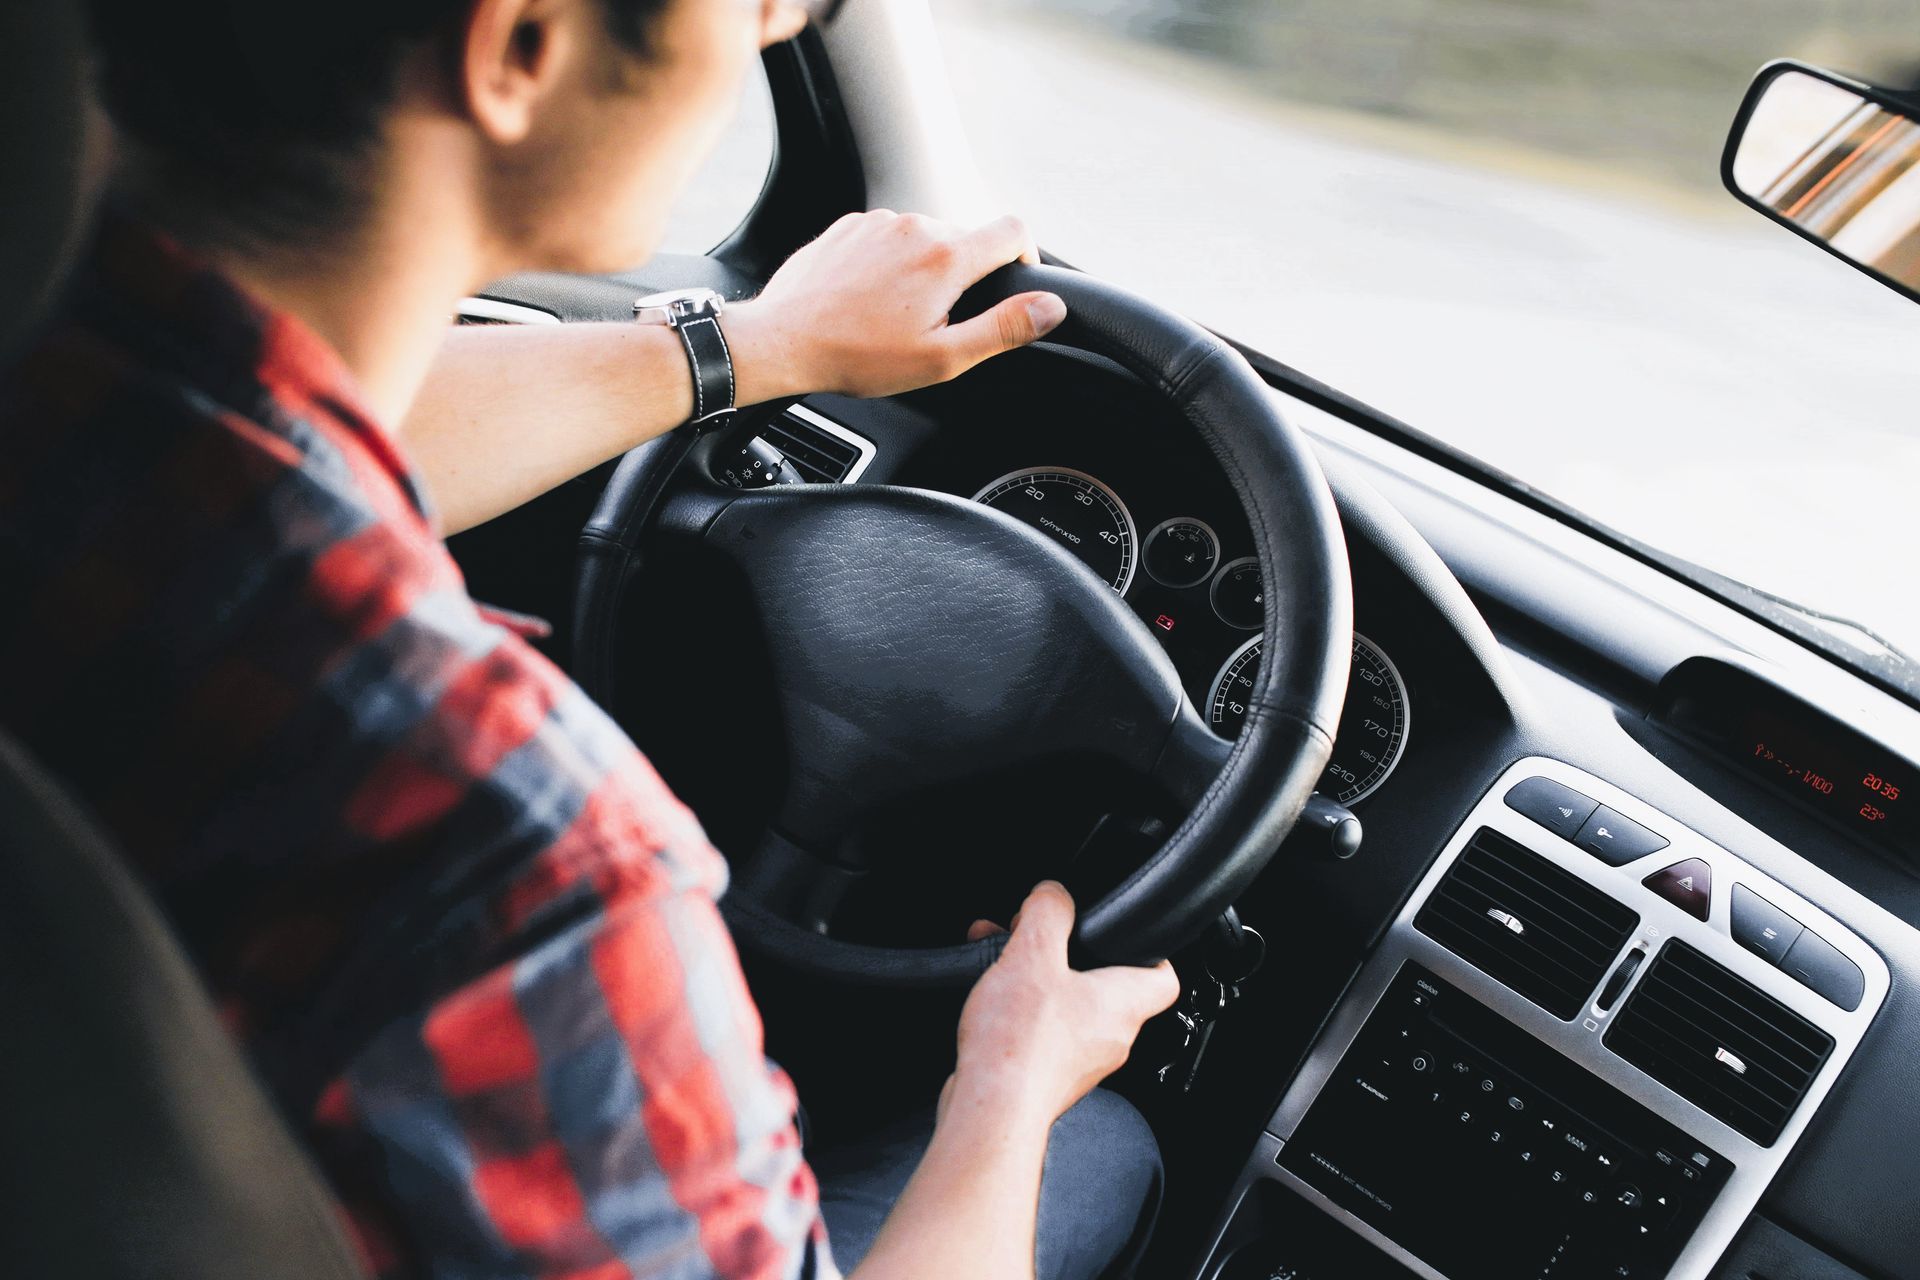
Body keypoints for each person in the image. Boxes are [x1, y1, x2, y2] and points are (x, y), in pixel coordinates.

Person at [0, 1, 1181, 1278]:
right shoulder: (513, 856)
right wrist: (1008, 1080)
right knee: (1095, 1146)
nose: (777, 20)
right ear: (521, 47)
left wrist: (760, 344)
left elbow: (303, 437)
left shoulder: (68, 393)